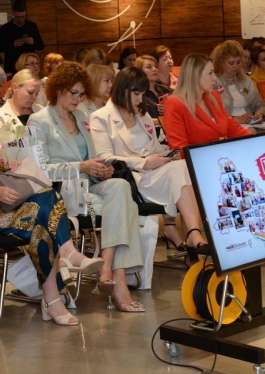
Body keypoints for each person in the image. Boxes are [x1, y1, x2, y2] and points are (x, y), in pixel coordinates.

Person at [0, 81, 103, 326]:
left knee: (47, 198)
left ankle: (54, 292)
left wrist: (9, 164)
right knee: (43, 219)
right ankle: (58, 281)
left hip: (6, 204)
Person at [165, 55, 265, 271]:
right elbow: (179, 148)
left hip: (222, 163)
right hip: (198, 168)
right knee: (250, 188)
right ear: (195, 76)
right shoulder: (175, 104)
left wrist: (256, 141)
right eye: (210, 73)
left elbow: (230, 127)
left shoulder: (212, 97)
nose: (215, 78)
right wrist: (212, 158)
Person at [28, 63, 144, 312]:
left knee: (121, 187)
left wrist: (102, 170)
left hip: (90, 187)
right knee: (127, 207)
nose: (78, 99)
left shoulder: (81, 117)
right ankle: (117, 278)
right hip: (60, 193)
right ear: (58, 89)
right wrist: (81, 166)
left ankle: (107, 267)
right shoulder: (39, 121)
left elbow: (92, 159)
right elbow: (41, 170)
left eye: (82, 94)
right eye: (74, 93)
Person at [90, 66, 211, 266]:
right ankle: (193, 237)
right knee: (182, 171)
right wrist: (145, 163)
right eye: (136, 94)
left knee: (183, 166)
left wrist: (167, 154)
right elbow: (105, 157)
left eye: (143, 94)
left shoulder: (142, 115)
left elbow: (154, 148)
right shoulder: (101, 117)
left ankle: (193, 237)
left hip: (155, 173)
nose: (140, 99)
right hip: (130, 179)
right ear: (123, 90)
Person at [212, 41, 265, 132]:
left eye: (238, 62)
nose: (235, 66)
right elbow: (212, 113)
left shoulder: (245, 80)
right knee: (250, 132)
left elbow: (260, 104)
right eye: (231, 63)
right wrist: (235, 119)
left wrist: (259, 114)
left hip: (251, 123)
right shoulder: (213, 82)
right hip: (228, 125)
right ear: (221, 63)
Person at [0, 69, 41, 143]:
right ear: (15, 88)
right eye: (30, 92)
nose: (34, 97)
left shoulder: (40, 109)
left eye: (37, 93)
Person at [0, 2, 45, 74]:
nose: (21, 19)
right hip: (12, 64)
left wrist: (33, 42)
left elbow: (41, 46)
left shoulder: (32, 26)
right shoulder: (5, 28)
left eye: (23, 17)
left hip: (29, 64)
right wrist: (13, 44)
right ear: (13, 14)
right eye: (18, 17)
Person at [134, 55, 163, 120]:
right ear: (140, 71)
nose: (154, 69)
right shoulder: (138, 95)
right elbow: (141, 120)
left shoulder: (167, 90)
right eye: (149, 67)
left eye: (155, 66)